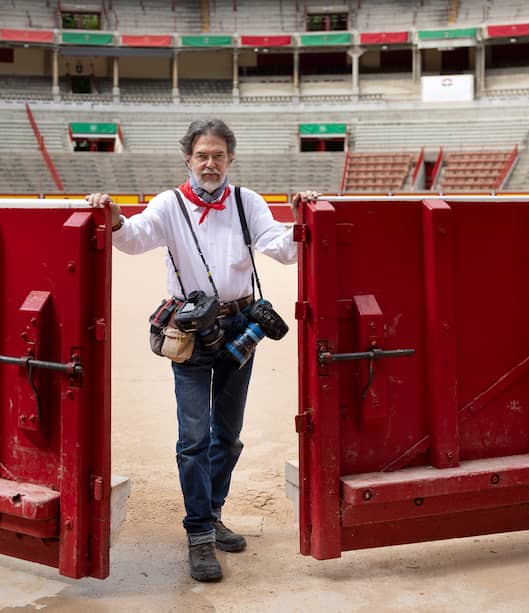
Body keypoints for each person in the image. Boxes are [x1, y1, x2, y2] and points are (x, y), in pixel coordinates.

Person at [87, 118, 318, 582]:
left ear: (229, 159)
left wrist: (301, 217)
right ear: (187, 160)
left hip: (241, 327)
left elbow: (280, 246)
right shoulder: (168, 204)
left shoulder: (247, 202)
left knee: (228, 436)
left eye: (217, 155)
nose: (209, 164)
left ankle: (211, 513)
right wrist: (112, 216)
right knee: (194, 438)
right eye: (201, 156)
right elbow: (133, 239)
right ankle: (198, 534)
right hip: (191, 332)